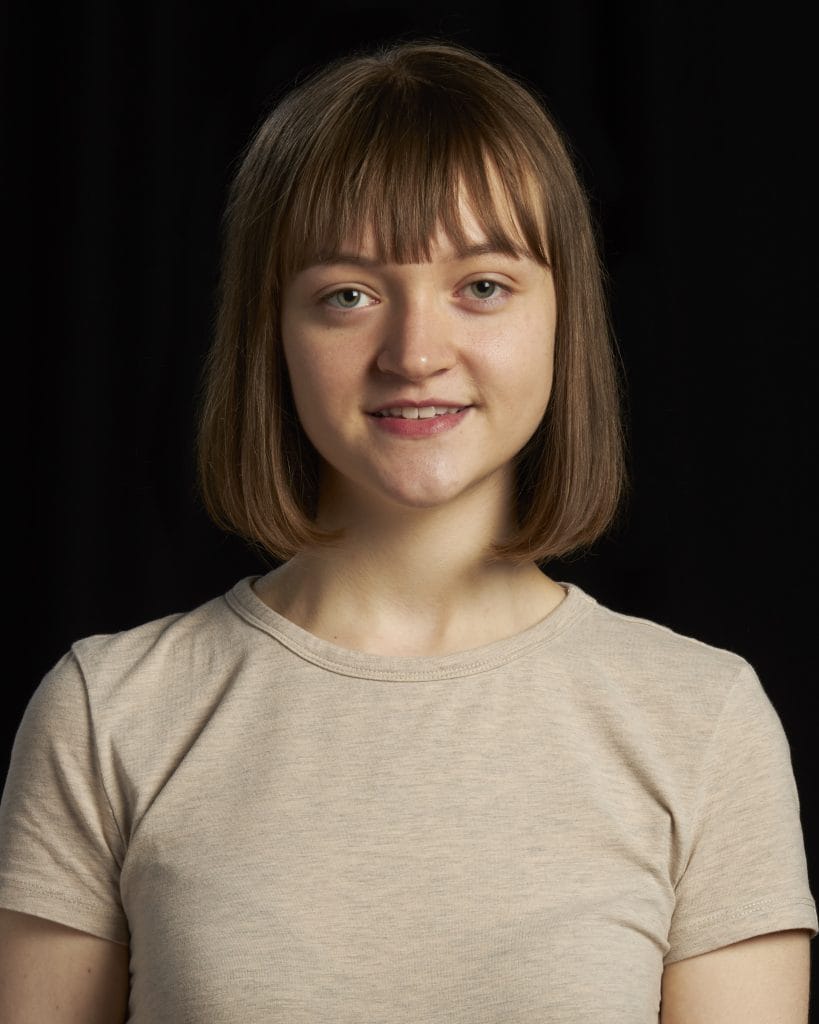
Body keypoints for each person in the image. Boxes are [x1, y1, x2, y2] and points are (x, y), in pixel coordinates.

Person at [0, 39, 815, 1024]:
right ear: (275, 332)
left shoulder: (704, 721)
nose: (417, 353)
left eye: (483, 286)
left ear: (565, 318)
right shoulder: (107, 714)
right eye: (349, 293)